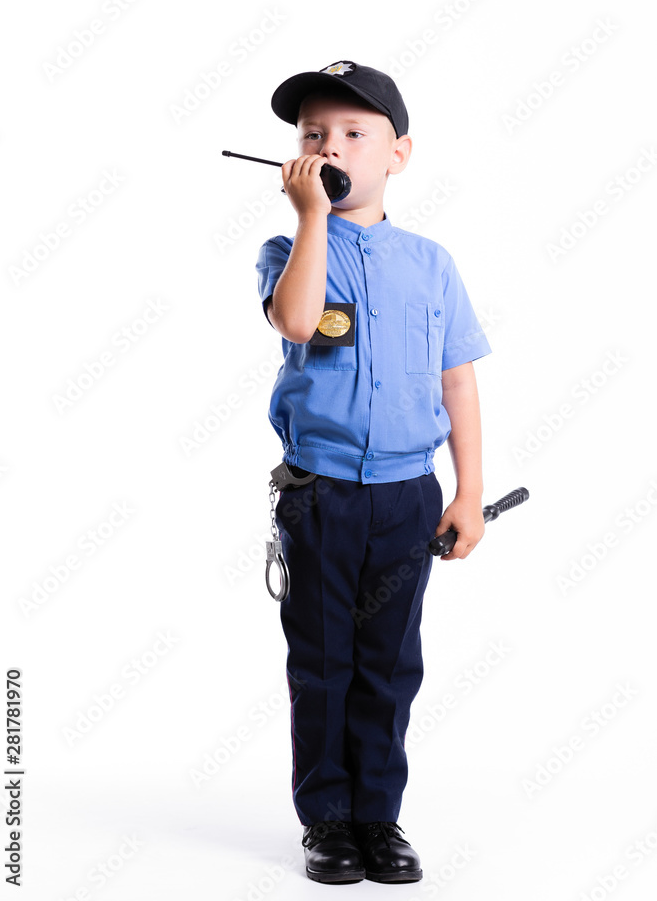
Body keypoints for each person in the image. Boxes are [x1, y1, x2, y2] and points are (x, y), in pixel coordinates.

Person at [255, 59, 492, 884]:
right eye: (313, 134)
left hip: (405, 497)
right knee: (322, 661)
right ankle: (326, 820)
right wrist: (311, 215)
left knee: (389, 662)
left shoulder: (429, 264)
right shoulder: (289, 248)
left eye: (355, 133)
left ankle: (376, 818)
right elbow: (295, 317)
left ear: (399, 154)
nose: (331, 145)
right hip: (320, 497)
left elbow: (455, 376)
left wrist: (467, 492)